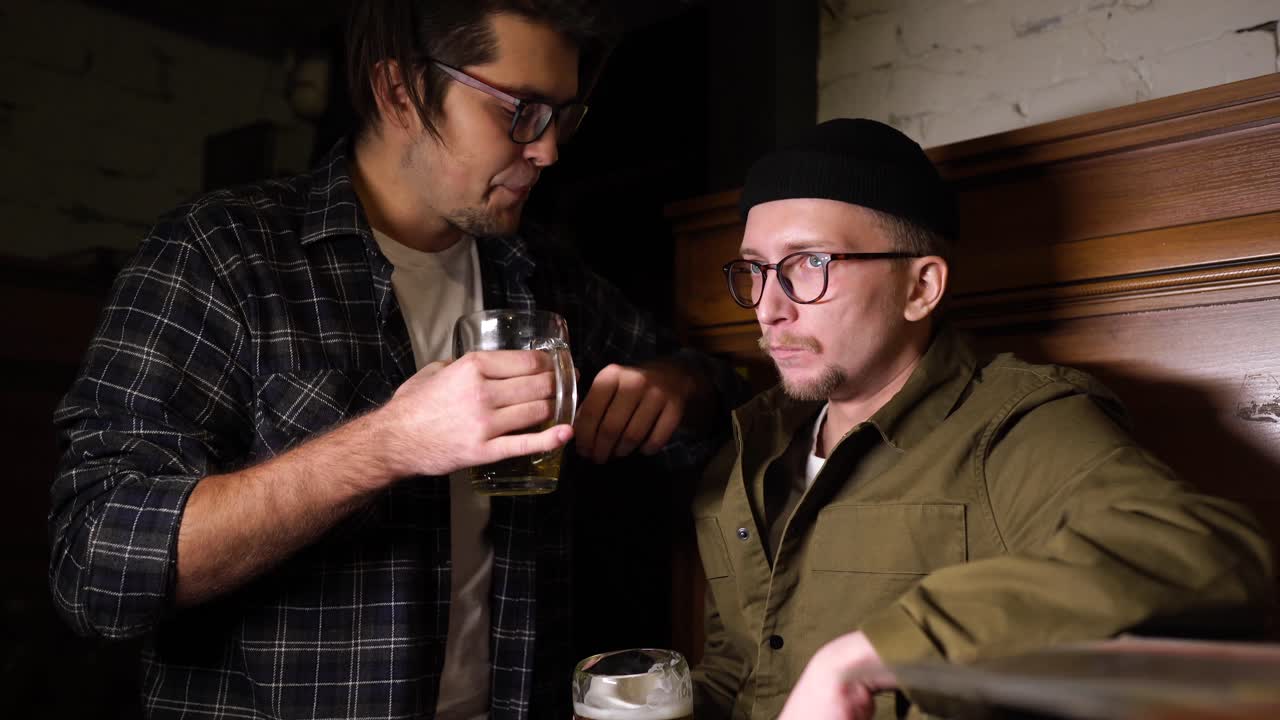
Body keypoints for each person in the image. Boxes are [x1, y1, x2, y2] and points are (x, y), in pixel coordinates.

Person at [49, 2, 740, 718]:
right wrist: (390, 443)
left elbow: (719, 397)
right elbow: (94, 565)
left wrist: (676, 389)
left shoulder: (543, 277)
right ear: (400, 91)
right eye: (521, 110)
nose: (548, 150)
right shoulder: (220, 255)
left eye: (563, 115)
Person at [689, 118, 1276, 720]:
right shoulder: (747, 445)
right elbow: (742, 672)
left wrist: (869, 655)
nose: (768, 308)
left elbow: (1208, 554)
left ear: (921, 287)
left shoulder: (1013, 425)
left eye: (809, 263)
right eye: (755, 269)